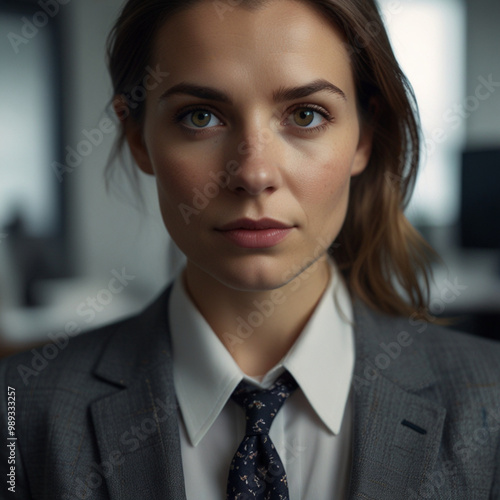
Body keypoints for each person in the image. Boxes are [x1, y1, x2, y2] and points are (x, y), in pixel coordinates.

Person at [1, 0, 499, 498]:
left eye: (306, 114)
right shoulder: (17, 410)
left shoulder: (491, 400)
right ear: (137, 134)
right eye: (200, 116)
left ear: (364, 136)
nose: (254, 173)